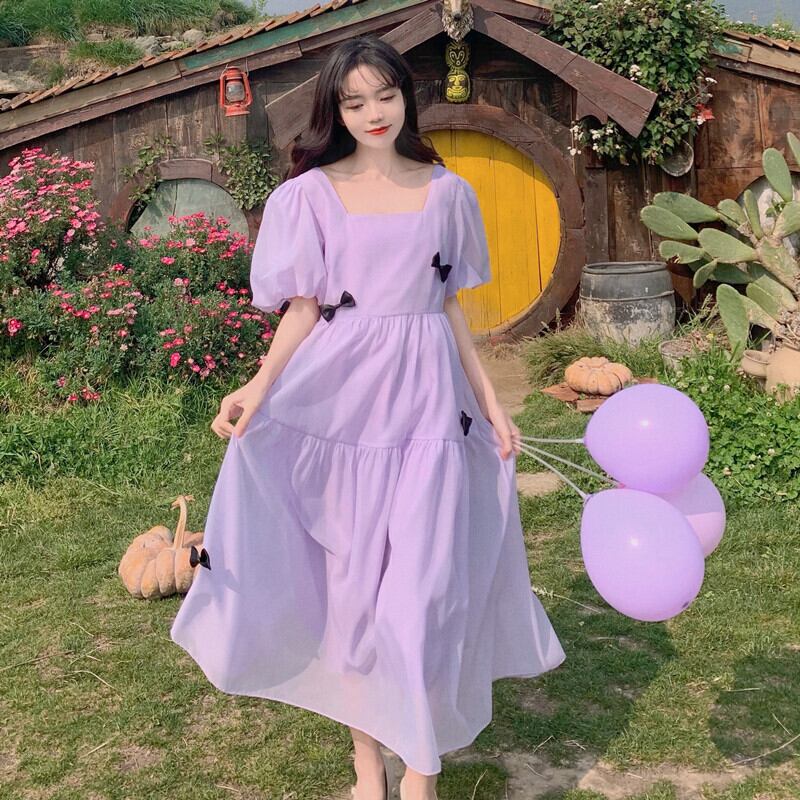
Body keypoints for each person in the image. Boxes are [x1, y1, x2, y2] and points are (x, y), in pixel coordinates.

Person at [170, 34, 566, 800]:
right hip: (340, 403)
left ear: (405, 97)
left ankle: (421, 770)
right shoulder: (309, 196)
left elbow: (448, 305)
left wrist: (489, 401)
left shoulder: (447, 192)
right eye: (355, 102)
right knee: (352, 600)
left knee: (425, 594)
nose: (374, 113)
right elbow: (304, 308)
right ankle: (366, 764)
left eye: (385, 96)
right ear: (337, 110)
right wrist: (258, 385)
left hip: (429, 409)